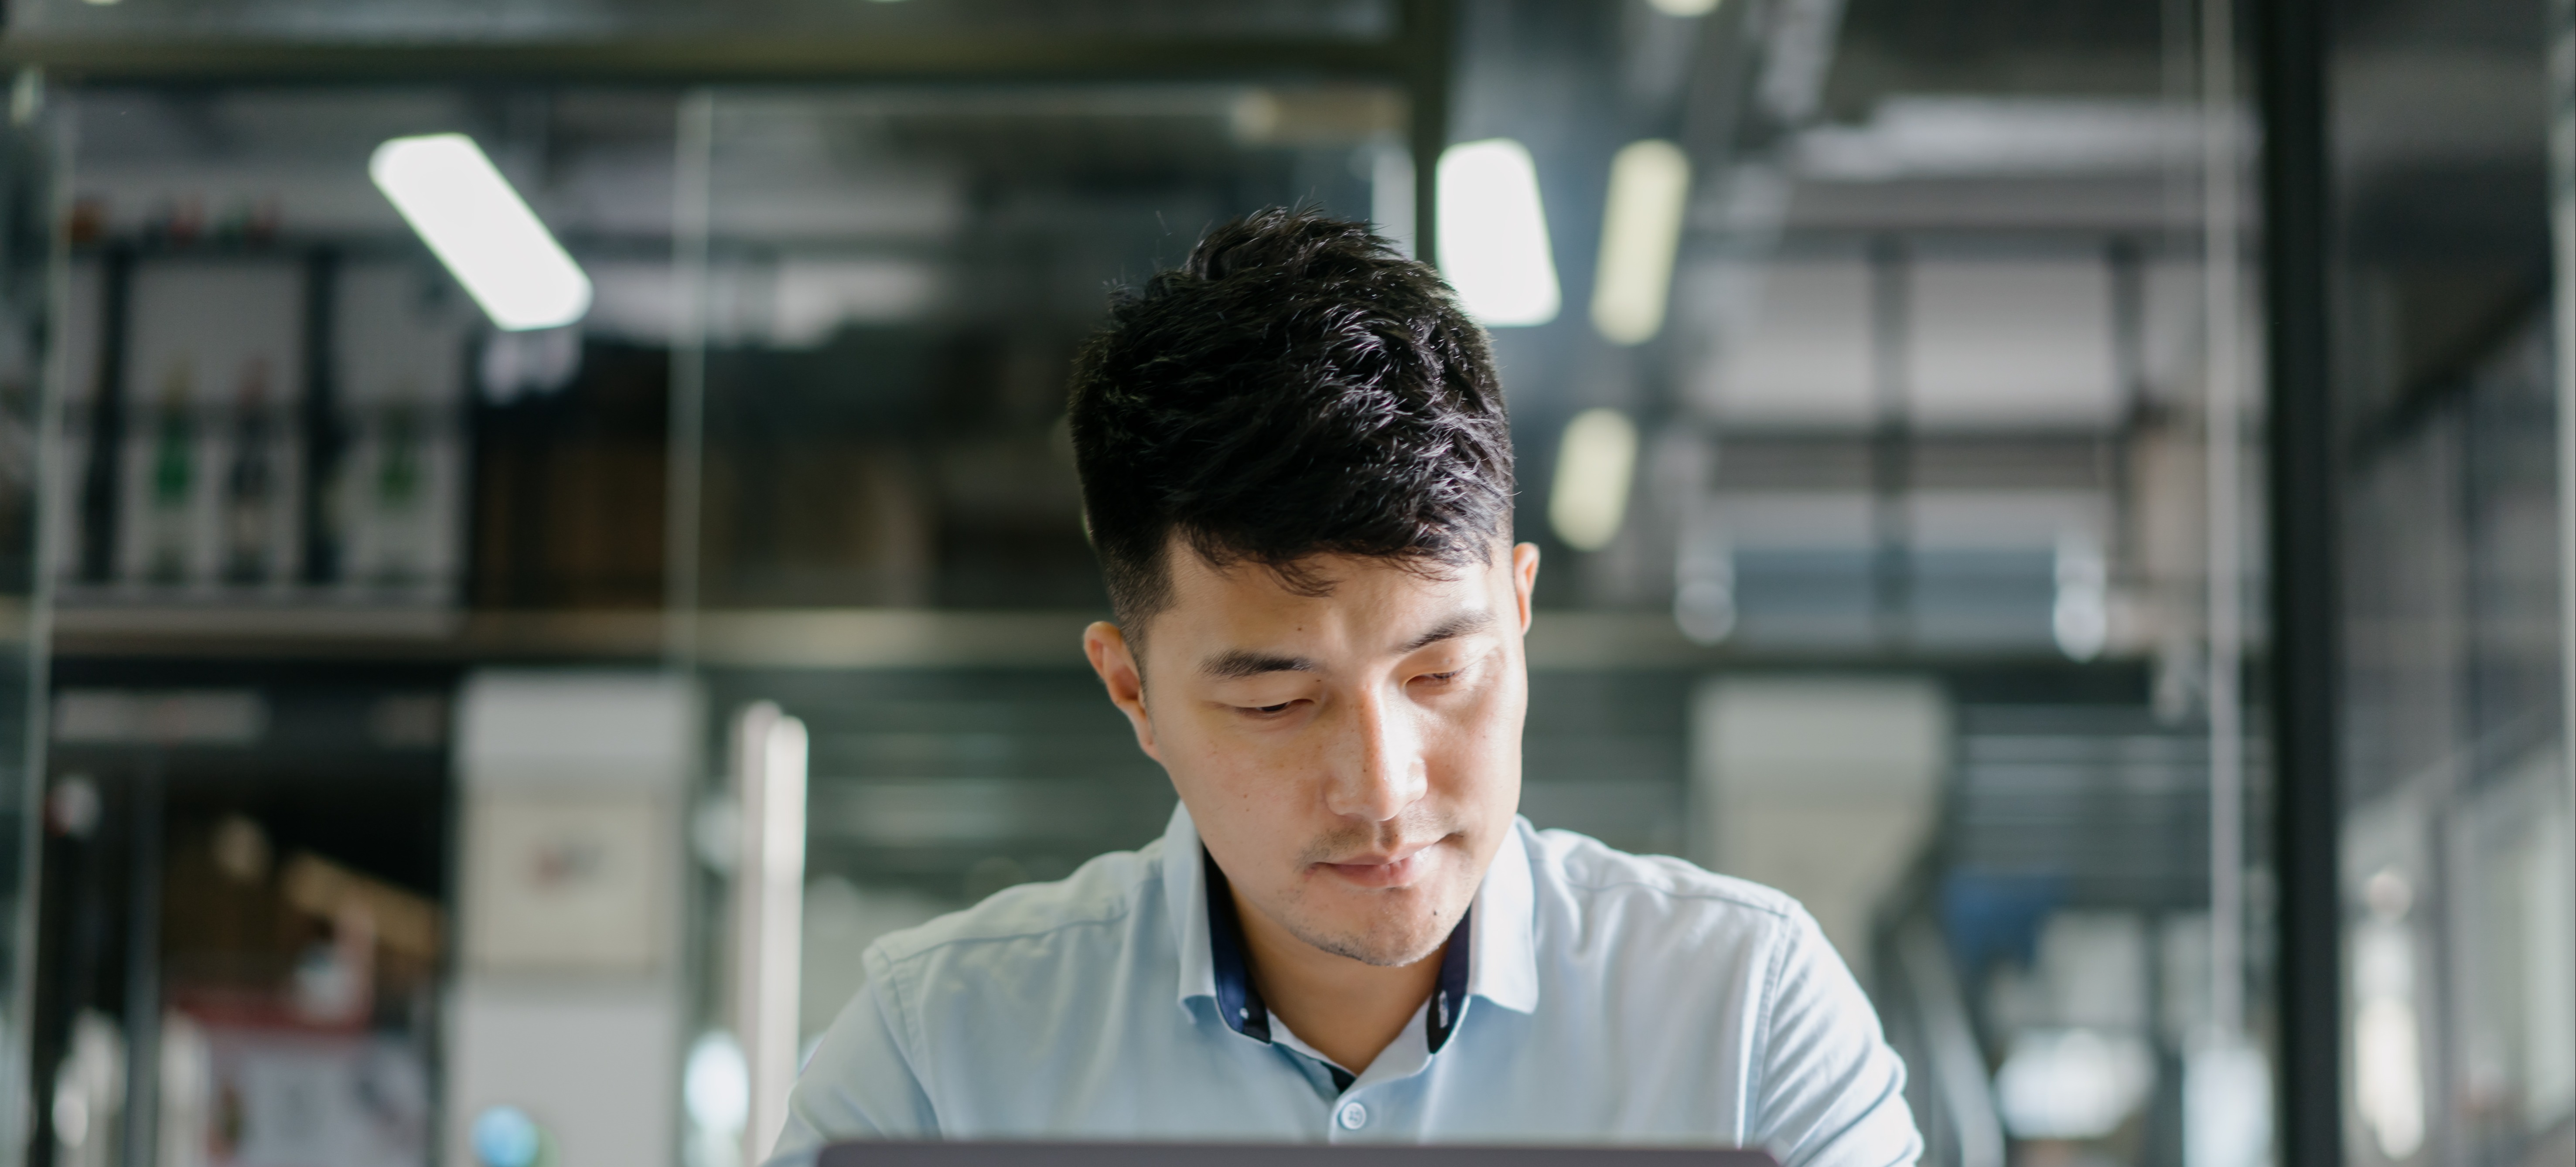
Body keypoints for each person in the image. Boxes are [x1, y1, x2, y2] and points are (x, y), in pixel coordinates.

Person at [767, 209, 1921, 1167]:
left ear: (1518, 612)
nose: (1382, 788)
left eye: (1444, 671)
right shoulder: (939, 1059)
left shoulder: (1743, 1017)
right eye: (1276, 700)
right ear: (1133, 695)